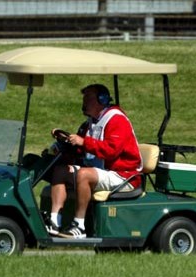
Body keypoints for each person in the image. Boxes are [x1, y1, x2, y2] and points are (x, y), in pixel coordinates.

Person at [46, 84, 142, 239]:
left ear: (102, 99)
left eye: (88, 98)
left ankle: (79, 226)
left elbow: (111, 151)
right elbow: (82, 150)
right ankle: (54, 221)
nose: (84, 102)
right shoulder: (90, 123)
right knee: (60, 171)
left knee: (84, 174)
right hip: (100, 171)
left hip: (122, 174)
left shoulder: (117, 120)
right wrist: (65, 143)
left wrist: (84, 142)